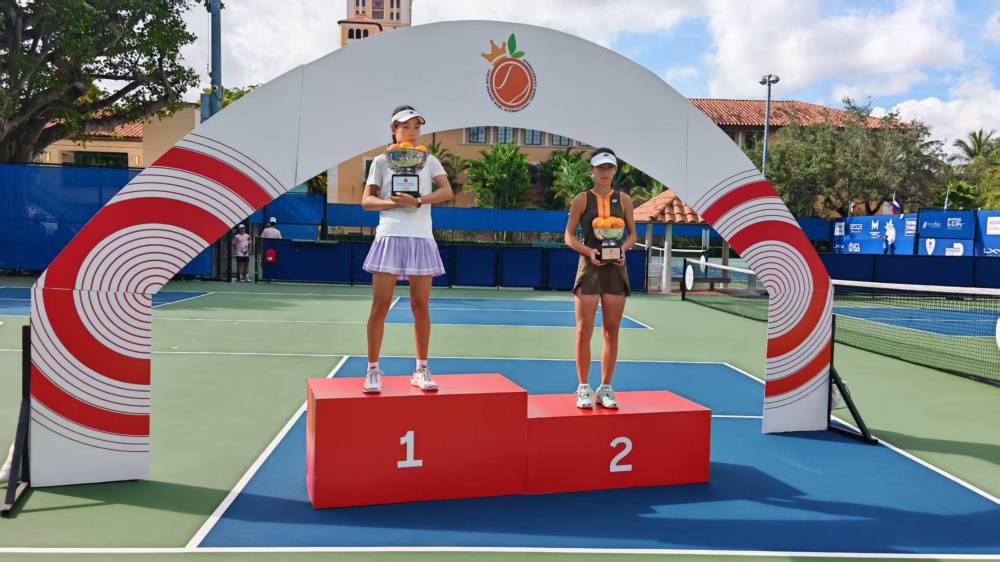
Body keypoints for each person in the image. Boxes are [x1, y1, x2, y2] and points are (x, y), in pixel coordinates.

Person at [360, 105, 453, 393]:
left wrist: (418, 201)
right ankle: (372, 370)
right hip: (389, 236)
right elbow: (367, 201)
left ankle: (421, 369)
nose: (411, 132)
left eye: (416, 127)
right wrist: (394, 203)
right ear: (394, 130)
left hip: (421, 238)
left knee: (420, 305)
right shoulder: (380, 161)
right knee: (380, 305)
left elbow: (447, 191)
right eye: (405, 127)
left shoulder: (430, 160)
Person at [563, 148, 637, 409]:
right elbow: (568, 236)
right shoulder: (581, 200)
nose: (605, 172)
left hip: (616, 270)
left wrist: (623, 250)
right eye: (600, 167)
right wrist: (588, 252)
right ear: (591, 170)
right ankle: (583, 387)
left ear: (615, 170)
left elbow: (632, 235)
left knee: (611, 330)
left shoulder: (624, 200)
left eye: (609, 168)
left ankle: (605, 388)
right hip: (589, 268)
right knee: (583, 331)